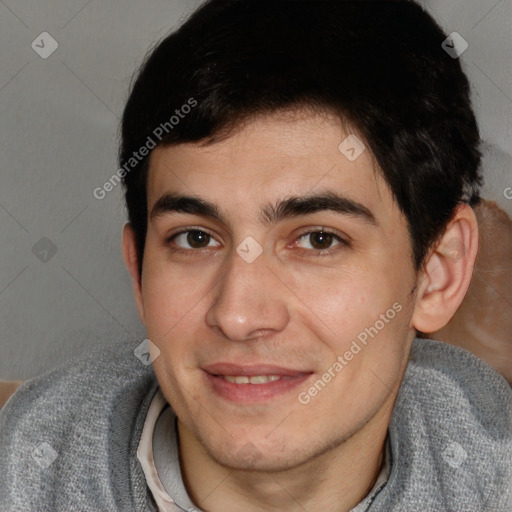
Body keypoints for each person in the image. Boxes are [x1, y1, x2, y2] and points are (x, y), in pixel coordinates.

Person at [1, 1, 511, 511]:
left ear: (438, 273)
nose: (238, 316)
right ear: (138, 272)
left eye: (318, 240)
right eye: (195, 239)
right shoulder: (26, 470)